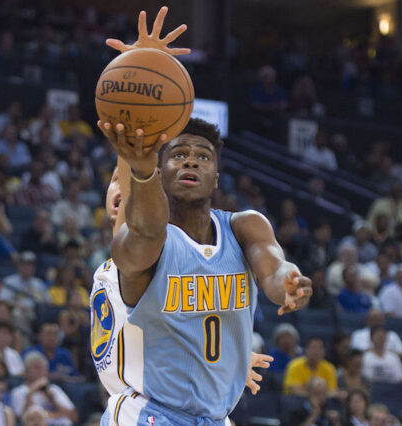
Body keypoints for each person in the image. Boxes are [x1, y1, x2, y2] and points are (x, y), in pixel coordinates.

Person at [97, 9, 284, 420]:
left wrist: (215, 364)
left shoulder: (222, 230)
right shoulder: (139, 234)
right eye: (178, 154)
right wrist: (141, 72)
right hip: (146, 406)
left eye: (202, 157)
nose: (118, 197)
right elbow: (134, 171)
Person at [11, 351, 78, 425]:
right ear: (26, 371)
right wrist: (30, 393)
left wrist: (53, 401)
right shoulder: (19, 392)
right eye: (36, 368)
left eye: (43, 368)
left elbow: (74, 417)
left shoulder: (54, 389)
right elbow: (21, 420)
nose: (40, 371)